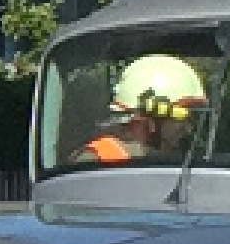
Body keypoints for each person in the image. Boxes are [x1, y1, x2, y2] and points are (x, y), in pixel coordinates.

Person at [75, 54, 207, 163]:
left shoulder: (178, 167)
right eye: (182, 118)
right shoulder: (95, 161)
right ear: (148, 121)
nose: (188, 128)